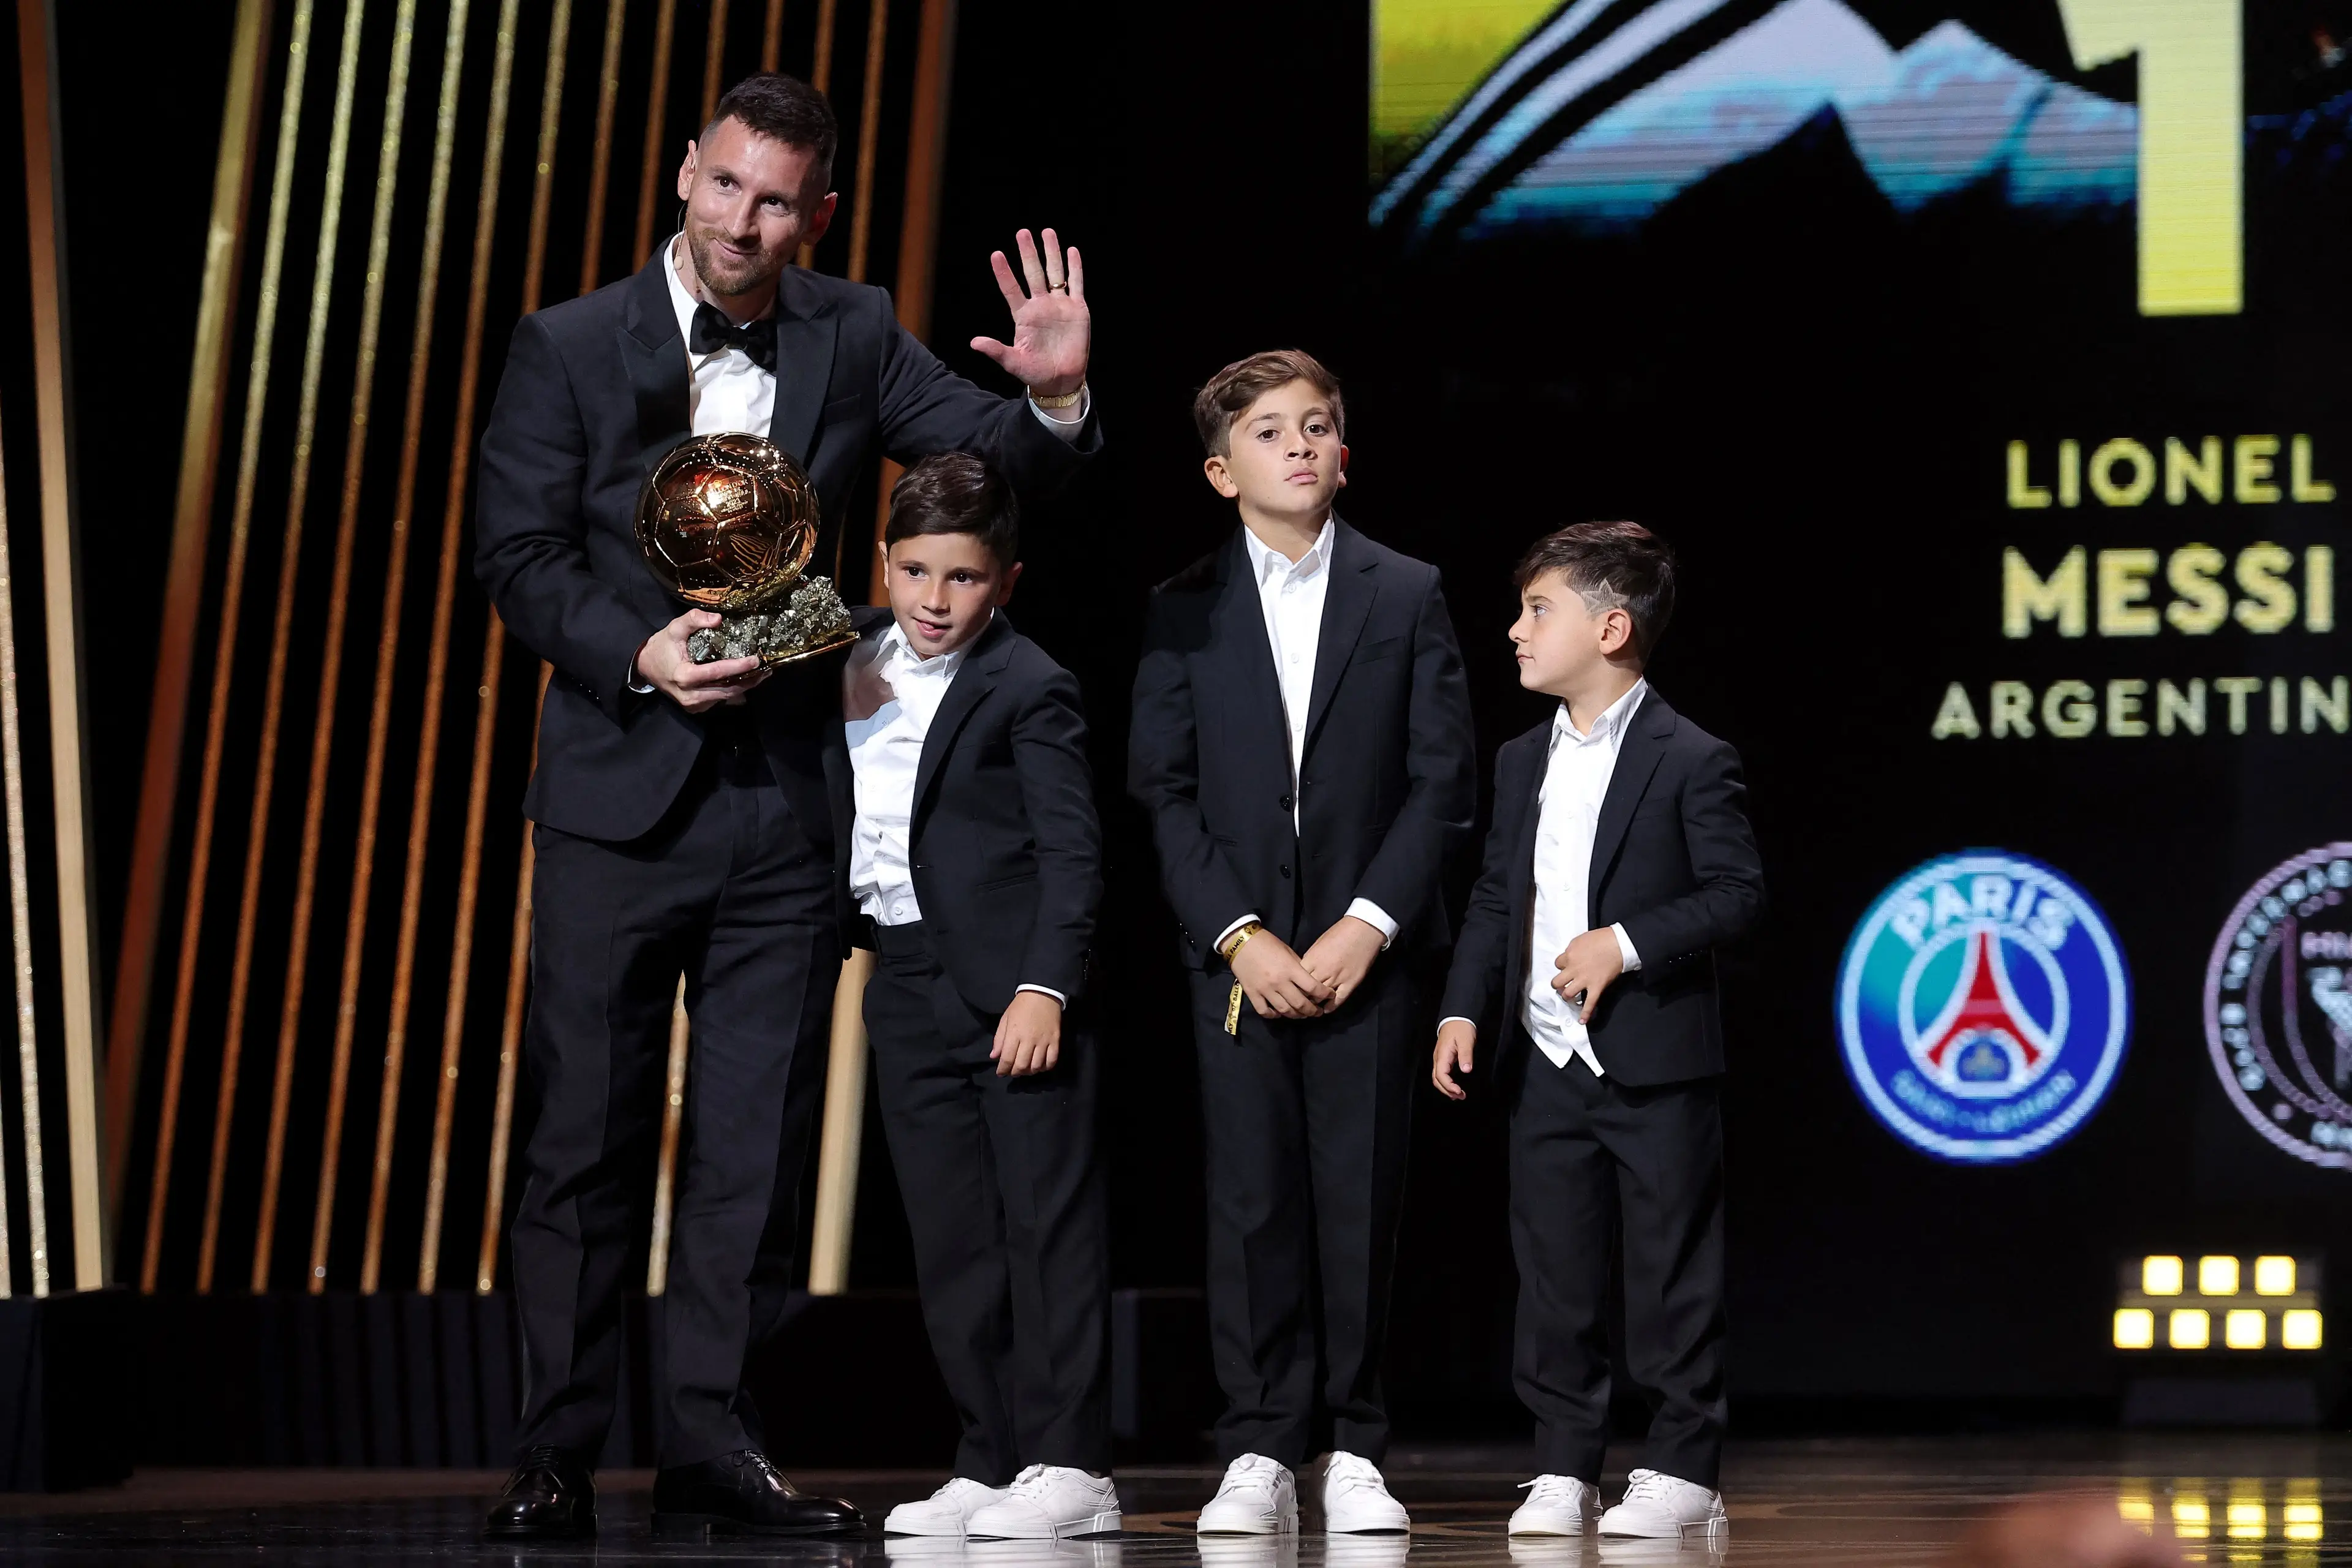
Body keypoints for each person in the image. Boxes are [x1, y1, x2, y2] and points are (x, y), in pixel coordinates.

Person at [472, 70, 1099, 1540]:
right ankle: (556, 1445)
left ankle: (711, 1439)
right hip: (617, 799)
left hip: (782, 812)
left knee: (753, 1144)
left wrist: (1054, 397)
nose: (744, 221)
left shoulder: (854, 328)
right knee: (585, 1134)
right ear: (687, 172)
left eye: (777, 201)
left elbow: (976, 471)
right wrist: (635, 651)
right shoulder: (566, 343)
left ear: (816, 212)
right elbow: (514, 553)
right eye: (725, 185)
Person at [1129, 350, 1474, 1534]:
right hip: (1240, 959)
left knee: (1357, 1195)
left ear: (1344, 451)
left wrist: (1368, 924)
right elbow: (1162, 790)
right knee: (1251, 1200)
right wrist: (1239, 935)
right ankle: (1261, 1443)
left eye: (1317, 426)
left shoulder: (1405, 589)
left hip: (1363, 953)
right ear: (1224, 472)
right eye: (1270, 432)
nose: (1299, 446)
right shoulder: (1183, 605)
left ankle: (1357, 1442)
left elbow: (1443, 783)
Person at [1431, 521, 1764, 1541]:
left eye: (1540, 610)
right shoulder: (1522, 757)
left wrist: (1622, 942)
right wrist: (1460, 1004)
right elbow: (1497, 895)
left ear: (1611, 626)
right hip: (1547, 1061)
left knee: (1669, 1269)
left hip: (1654, 1061)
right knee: (1557, 1271)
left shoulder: (1691, 756)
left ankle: (1680, 1469)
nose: (1516, 631)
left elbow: (1736, 893)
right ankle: (1564, 1464)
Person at [841, 453, 1117, 1542]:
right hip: (903, 980)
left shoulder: (1029, 681)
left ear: (1005, 581)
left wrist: (1045, 987)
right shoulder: (846, 654)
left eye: (962, 580)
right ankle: (986, 1455)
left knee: (1044, 1226)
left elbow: (1071, 852)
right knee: (951, 1236)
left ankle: (1073, 1464)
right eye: (916, 573)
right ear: (886, 565)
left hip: (1012, 990)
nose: (935, 601)